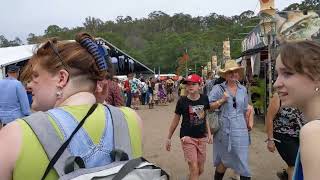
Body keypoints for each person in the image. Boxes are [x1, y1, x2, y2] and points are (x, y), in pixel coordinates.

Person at [0, 33, 142, 180]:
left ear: (62, 78)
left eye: (35, 76)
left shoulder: (14, 135)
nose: (29, 85)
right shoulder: (131, 119)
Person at [273, 40, 320, 180]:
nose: (276, 84)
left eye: (287, 73)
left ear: (317, 77)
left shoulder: (313, 132)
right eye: (277, 74)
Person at [208, 60, 251, 180]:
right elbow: (208, 107)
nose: (233, 74)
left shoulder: (243, 89)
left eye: (235, 72)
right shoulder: (218, 88)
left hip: (241, 129)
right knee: (224, 159)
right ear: (225, 75)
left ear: (239, 73)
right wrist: (221, 100)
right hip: (224, 129)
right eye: (230, 72)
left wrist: (248, 122)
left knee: (242, 159)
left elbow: (245, 108)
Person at [166, 74, 212, 180]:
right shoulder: (182, 101)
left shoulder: (205, 99)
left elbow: (206, 118)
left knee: (200, 169)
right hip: (187, 137)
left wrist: (209, 133)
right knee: (194, 168)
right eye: (188, 84)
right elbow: (175, 120)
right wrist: (169, 138)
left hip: (202, 137)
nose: (190, 86)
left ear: (200, 86)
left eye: (194, 84)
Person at [265, 92, 304, 180]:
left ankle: (286, 175)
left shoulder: (304, 94)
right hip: (283, 136)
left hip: (302, 136)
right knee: (293, 164)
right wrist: (270, 140)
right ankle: (288, 175)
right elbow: (269, 118)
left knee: (303, 163)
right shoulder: (279, 95)